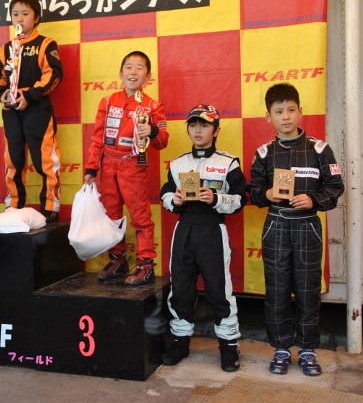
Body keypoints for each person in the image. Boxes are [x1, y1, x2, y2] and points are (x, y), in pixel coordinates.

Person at [247, 83, 344, 376]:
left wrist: (313, 199)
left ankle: (307, 349)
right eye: (279, 112)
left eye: (291, 110)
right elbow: (253, 191)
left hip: (307, 226)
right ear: (269, 117)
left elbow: (335, 187)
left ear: (300, 112)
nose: (286, 116)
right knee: (277, 290)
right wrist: (268, 195)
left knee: (307, 289)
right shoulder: (264, 153)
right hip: (276, 224)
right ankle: (280, 348)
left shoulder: (320, 149)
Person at [159, 104, 246, 372]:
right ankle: (180, 342)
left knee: (219, 290)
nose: (198, 130)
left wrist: (217, 198)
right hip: (184, 229)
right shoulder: (177, 163)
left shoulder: (228, 162)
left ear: (216, 130)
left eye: (205, 125)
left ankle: (228, 346)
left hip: (212, 230)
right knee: (181, 288)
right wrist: (173, 199)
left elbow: (241, 198)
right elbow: (165, 193)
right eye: (193, 125)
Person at [84, 51, 168, 286]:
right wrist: (91, 168)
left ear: (148, 76)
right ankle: (118, 260)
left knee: (140, 217)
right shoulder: (107, 101)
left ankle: (145, 265)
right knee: (111, 216)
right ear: (121, 73)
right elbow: (97, 138)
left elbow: (163, 142)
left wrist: (152, 131)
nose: (133, 72)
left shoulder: (152, 106)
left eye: (139, 68)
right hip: (107, 165)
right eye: (129, 67)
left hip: (133, 165)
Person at [0, 0, 63, 223]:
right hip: (11, 111)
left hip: (36, 109)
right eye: (15, 14)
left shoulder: (46, 44)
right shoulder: (6, 48)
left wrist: (29, 95)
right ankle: (14, 205)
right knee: (13, 160)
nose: (19, 19)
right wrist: (2, 95)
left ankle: (50, 206)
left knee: (45, 160)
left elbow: (54, 75)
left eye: (25, 14)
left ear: (36, 17)